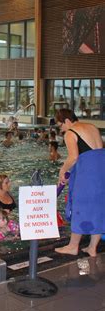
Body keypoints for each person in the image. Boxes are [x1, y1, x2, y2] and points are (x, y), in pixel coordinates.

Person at [54, 109, 105, 257]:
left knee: (79, 207)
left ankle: (73, 246)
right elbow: (93, 153)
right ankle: (92, 248)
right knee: (98, 208)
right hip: (101, 172)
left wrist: (62, 171)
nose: (61, 129)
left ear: (67, 121)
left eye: (60, 125)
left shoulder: (71, 133)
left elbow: (74, 157)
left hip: (88, 176)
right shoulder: (92, 127)